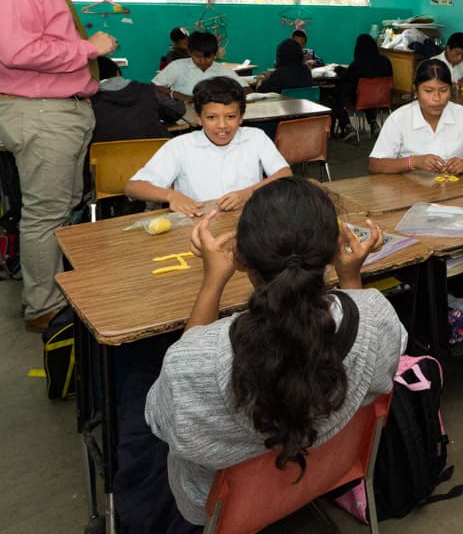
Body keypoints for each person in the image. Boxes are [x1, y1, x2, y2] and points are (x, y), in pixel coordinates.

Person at [141, 178, 406, 528]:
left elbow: (160, 418)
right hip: (328, 471)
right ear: (333, 251)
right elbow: (373, 360)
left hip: (219, 505)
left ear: (241, 260)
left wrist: (212, 281)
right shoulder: (377, 314)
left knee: (133, 379)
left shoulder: (192, 364)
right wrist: (351, 278)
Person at [0, 0, 118, 332]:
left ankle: (53, 291)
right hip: (41, 112)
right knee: (45, 213)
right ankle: (43, 306)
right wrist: (88, 48)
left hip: (58, 109)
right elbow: (17, 50)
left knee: (60, 207)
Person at [126, 77, 292, 217]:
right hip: (198, 226)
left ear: (241, 117)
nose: (222, 125)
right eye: (211, 117)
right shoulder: (180, 146)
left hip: (248, 221)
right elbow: (133, 187)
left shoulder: (255, 137)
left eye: (231, 116)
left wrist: (249, 193)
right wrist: (171, 195)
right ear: (198, 118)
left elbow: (284, 173)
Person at [368, 58, 463, 175]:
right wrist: (413, 162)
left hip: (453, 189)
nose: (437, 98)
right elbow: (375, 165)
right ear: (415, 90)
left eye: (443, 90)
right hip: (410, 192)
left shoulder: (462, 115)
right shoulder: (399, 119)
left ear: (450, 89)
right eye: (428, 91)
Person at [91, 56, 185, 143]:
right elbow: (177, 110)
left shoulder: (86, 101)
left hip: (104, 158)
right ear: (117, 73)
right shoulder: (147, 91)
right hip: (153, 154)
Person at [152, 31, 242, 102]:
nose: (202, 61)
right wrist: (175, 94)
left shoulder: (224, 70)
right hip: (184, 114)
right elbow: (154, 86)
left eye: (208, 57)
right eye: (198, 56)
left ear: (215, 55)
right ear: (189, 53)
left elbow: (246, 89)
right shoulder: (177, 66)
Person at [333, 33, 393, 139]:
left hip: (360, 99)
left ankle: (347, 126)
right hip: (381, 99)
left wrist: (339, 70)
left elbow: (346, 78)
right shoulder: (386, 61)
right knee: (367, 92)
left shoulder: (357, 64)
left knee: (337, 94)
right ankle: (373, 124)